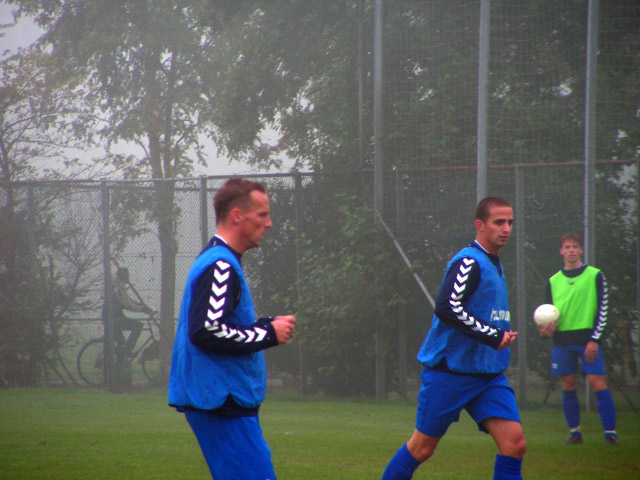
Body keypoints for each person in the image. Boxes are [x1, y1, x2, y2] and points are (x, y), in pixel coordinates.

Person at [382, 197, 526, 480]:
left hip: (487, 375)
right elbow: (448, 307)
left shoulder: (493, 263)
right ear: (480, 225)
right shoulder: (469, 261)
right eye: (498, 222)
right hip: (451, 373)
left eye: (510, 222)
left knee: (514, 444)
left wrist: (495, 336)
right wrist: (493, 335)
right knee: (421, 449)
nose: (506, 228)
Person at [168, 178, 296, 480]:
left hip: (220, 400)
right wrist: (268, 334)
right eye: (262, 215)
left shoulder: (219, 261)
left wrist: (265, 325)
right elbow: (207, 331)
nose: (269, 223)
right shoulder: (221, 266)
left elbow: (217, 324)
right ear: (237, 215)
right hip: (222, 401)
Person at [537, 232, 618, 445]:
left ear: (581, 250)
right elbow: (547, 314)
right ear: (561, 251)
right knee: (568, 383)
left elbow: (603, 309)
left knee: (597, 382)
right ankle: (575, 433)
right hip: (562, 341)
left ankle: (610, 434)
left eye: (575, 246)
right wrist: (544, 332)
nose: (571, 250)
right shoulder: (553, 281)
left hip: (587, 339)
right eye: (567, 247)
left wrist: (595, 340)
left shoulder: (595, 275)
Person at [111, 267, 151, 358]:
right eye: (127, 276)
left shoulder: (117, 285)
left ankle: (120, 363)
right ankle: (128, 350)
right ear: (124, 276)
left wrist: (141, 305)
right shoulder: (118, 288)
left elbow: (128, 300)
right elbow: (128, 305)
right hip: (115, 319)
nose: (128, 279)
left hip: (112, 318)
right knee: (138, 325)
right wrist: (142, 310)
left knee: (121, 342)